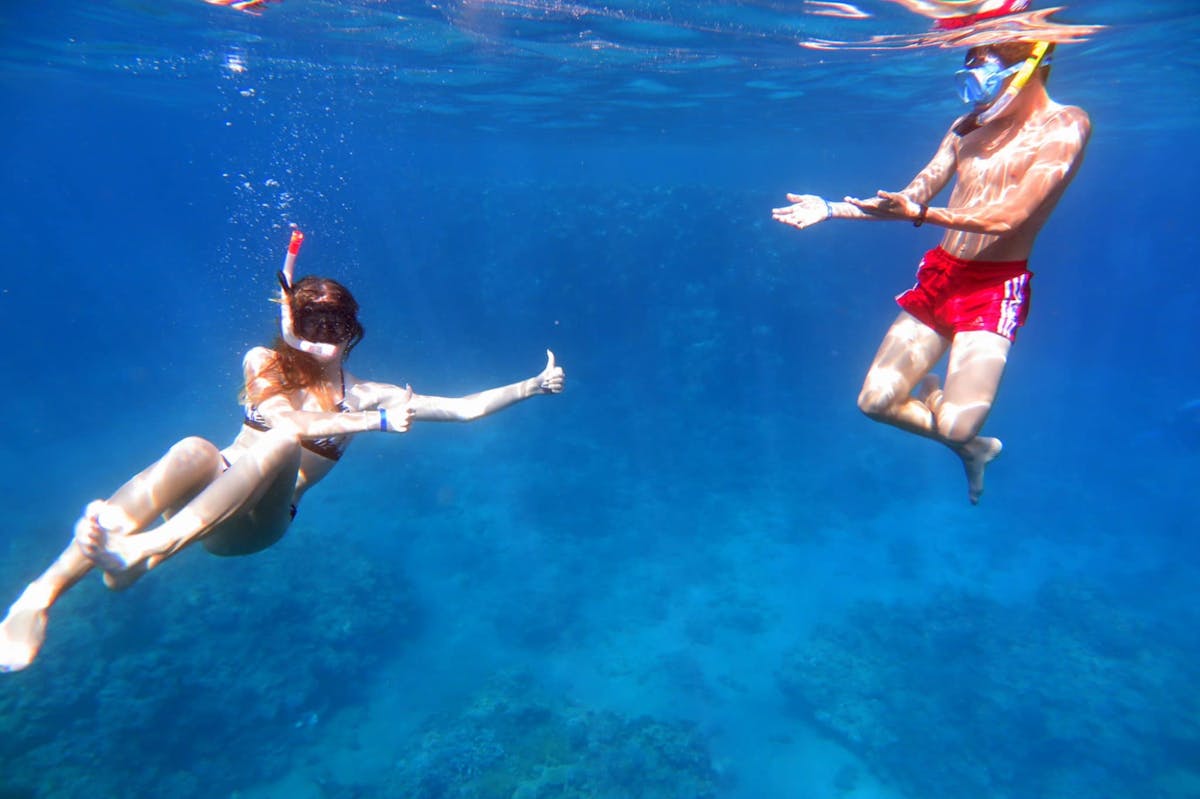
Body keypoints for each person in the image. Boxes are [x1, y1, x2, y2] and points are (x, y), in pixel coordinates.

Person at [0, 232, 565, 671]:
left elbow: (465, 408)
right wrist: (374, 423)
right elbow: (289, 419)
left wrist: (532, 386)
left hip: (258, 525)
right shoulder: (261, 361)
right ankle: (41, 595)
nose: (326, 338)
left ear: (352, 330)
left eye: (337, 325)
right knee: (195, 447)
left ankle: (142, 551)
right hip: (206, 492)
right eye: (314, 323)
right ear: (295, 323)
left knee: (280, 446)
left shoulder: (374, 393)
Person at [772, 36, 1090, 504]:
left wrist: (923, 213)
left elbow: (1009, 217)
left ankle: (955, 423)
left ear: (1031, 67)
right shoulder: (966, 126)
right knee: (874, 403)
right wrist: (833, 208)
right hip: (942, 275)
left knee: (957, 423)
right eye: (968, 80)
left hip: (994, 288)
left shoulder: (1067, 123)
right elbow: (909, 198)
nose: (977, 93)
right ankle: (972, 449)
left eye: (984, 77)